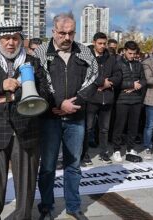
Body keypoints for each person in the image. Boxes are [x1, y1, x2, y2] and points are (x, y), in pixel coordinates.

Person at [0, 19, 49, 220]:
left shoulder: (34, 63)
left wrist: (15, 96)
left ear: (21, 40)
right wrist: (1, 85)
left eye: (15, 38)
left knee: (26, 185)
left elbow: (46, 95)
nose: (10, 43)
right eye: (6, 38)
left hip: (26, 130)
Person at [33, 12, 98, 220]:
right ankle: (46, 206)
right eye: (62, 33)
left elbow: (94, 78)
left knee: (74, 165)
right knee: (48, 165)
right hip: (49, 118)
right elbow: (39, 83)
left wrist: (74, 103)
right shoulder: (41, 52)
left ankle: (73, 206)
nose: (67, 38)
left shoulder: (84, 51)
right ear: (53, 31)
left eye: (71, 33)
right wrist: (58, 104)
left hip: (76, 118)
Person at [81, 32, 121, 166]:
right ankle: (84, 154)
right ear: (94, 43)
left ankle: (104, 153)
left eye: (104, 44)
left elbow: (118, 75)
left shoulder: (111, 58)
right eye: (100, 43)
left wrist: (109, 82)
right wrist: (100, 83)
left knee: (104, 129)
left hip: (107, 98)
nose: (103, 46)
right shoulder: (87, 57)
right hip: (92, 98)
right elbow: (85, 74)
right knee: (88, 128)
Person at [111, 41, 146, 163]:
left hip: (136, 100)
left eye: (134, 53)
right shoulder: (117, 64)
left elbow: (144, 80)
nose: (132, 56)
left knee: (133, 126)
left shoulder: (138, 64)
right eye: (130, 53)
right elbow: (115, 82)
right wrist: (132, 84)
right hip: (122, 100)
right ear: (125, 51)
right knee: (119, 126)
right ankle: (116, 150)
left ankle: (130, 148)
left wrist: (136, 86)